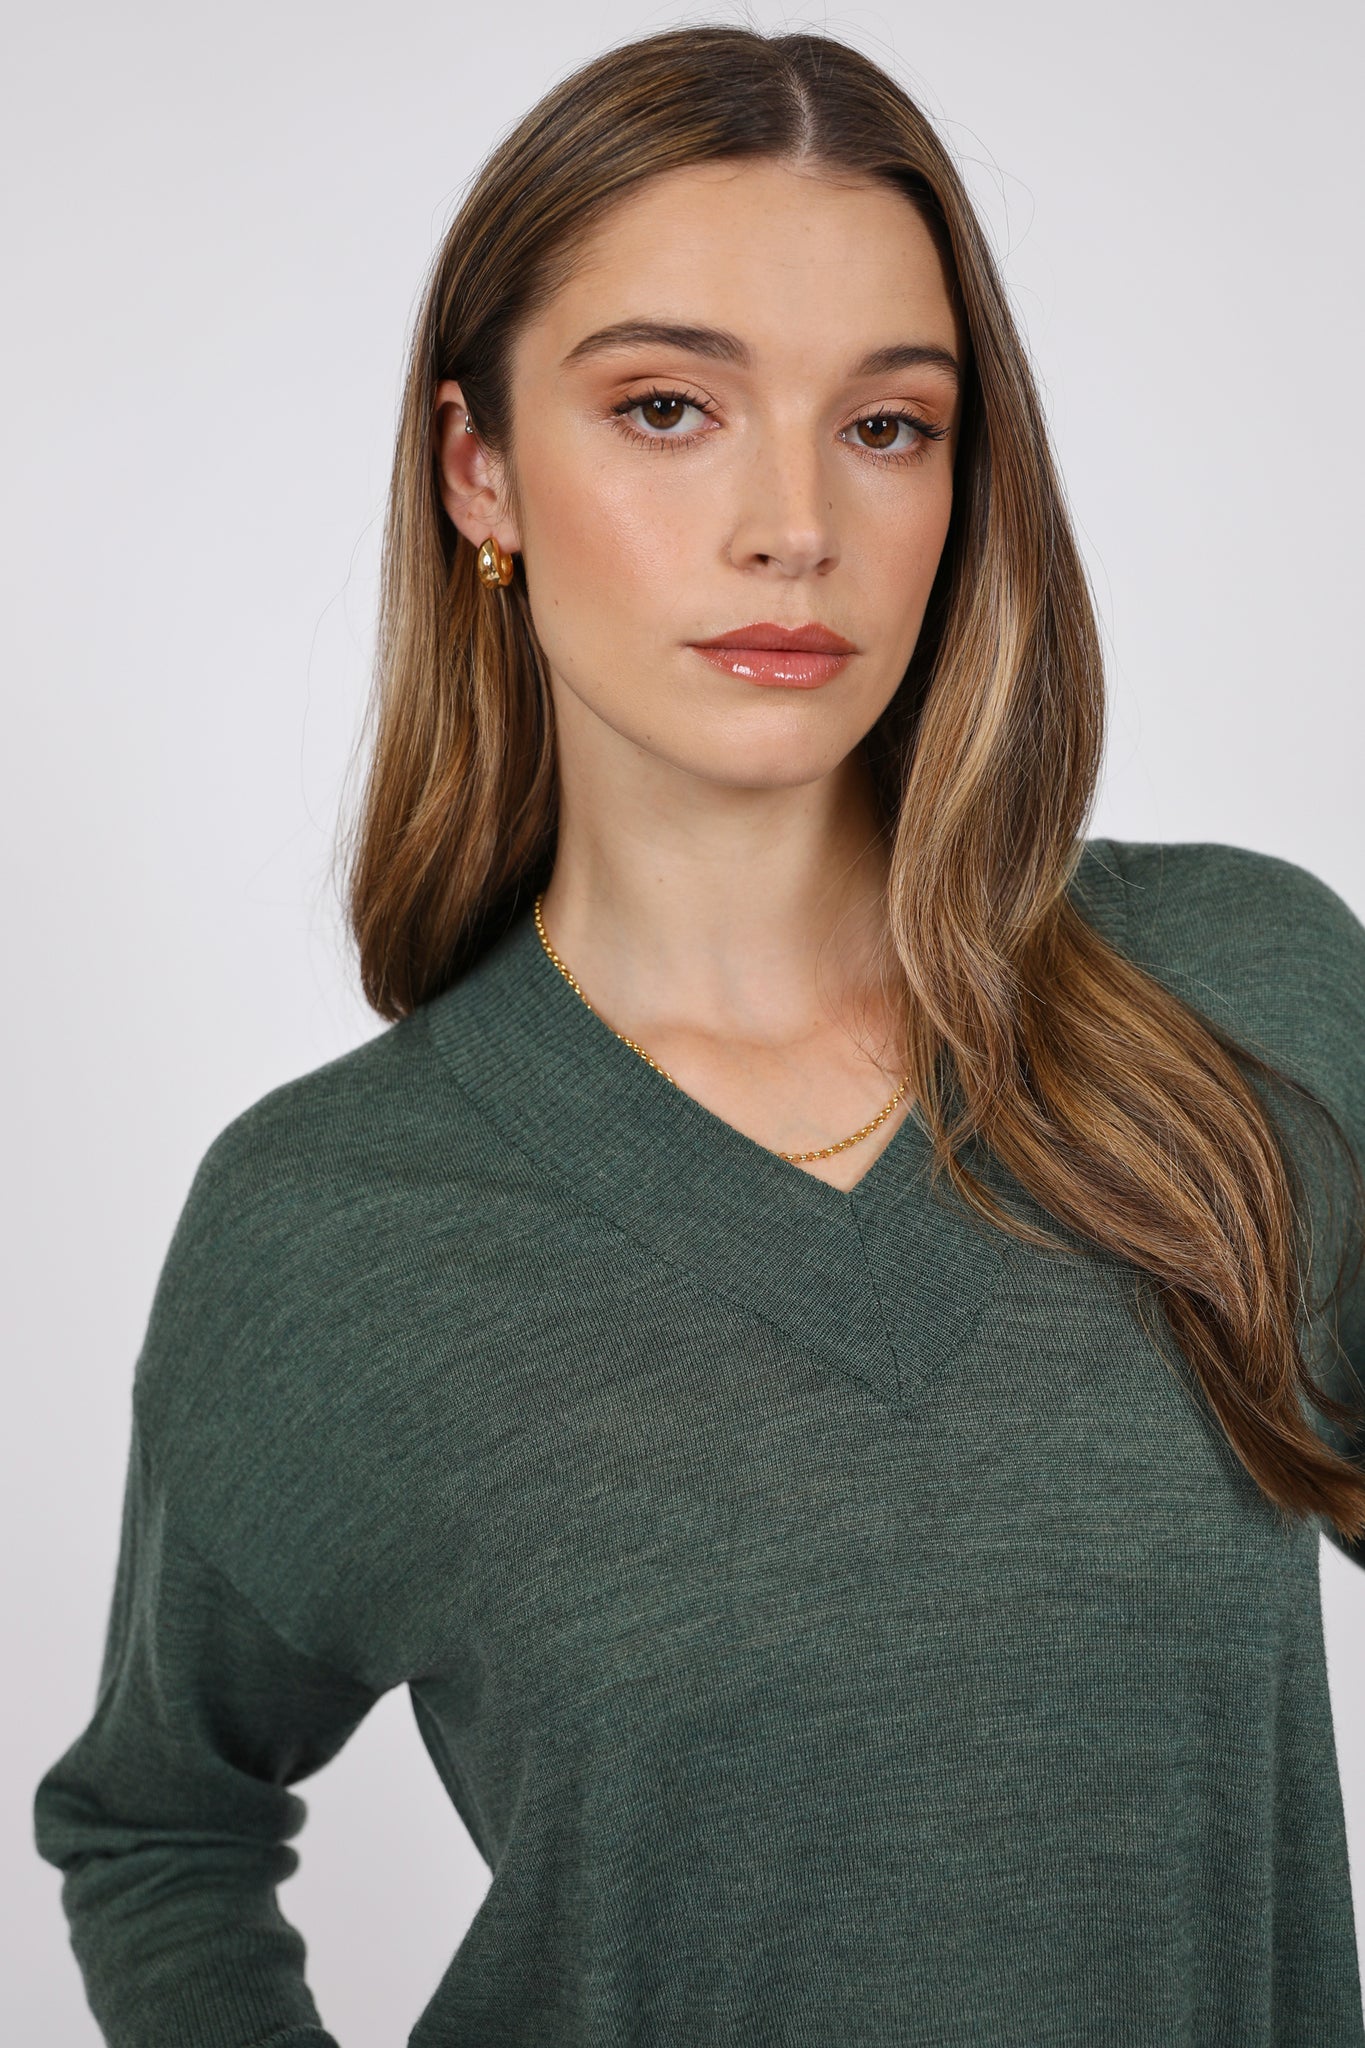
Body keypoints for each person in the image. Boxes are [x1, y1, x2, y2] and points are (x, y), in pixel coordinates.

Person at [32, 23, 1365, 2046]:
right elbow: (157, 1820)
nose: (790, 523)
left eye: (886, 425)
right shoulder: (328, 1224)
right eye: (666, 408)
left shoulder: (1238, 997)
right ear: (478, 468)